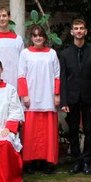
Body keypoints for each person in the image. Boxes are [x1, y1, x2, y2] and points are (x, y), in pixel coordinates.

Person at [59, 19, 91, 175]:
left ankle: (87, 162)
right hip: (71, 99)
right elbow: (63, 79)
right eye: (76, 28)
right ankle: (77, 162)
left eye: (81, 28)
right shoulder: (64, 54)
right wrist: (63, 101)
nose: (78, 31)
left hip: (89, 99)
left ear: (86, 31)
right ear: (72, 32)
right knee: (73, 131)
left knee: (89, 131)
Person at [18, 25, 60, 174]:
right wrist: (25, 95)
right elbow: (21, 75)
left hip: (48, 97)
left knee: (48, 132)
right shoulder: (25, 54)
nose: (37, 38)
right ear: (32, 37)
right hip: (32, 98)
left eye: (40, 35)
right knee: (30, 132)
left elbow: (57, 75)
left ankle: (47, 162)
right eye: (35, 35)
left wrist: (56, 94)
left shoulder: (52, 54)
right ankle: (30, 162)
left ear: (44, 37)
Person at [0, 7, 24, 88]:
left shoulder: (18, 39)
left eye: (4, 16)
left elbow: (22, 65)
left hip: (14, 82)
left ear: (9, 18)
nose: (1, 19)